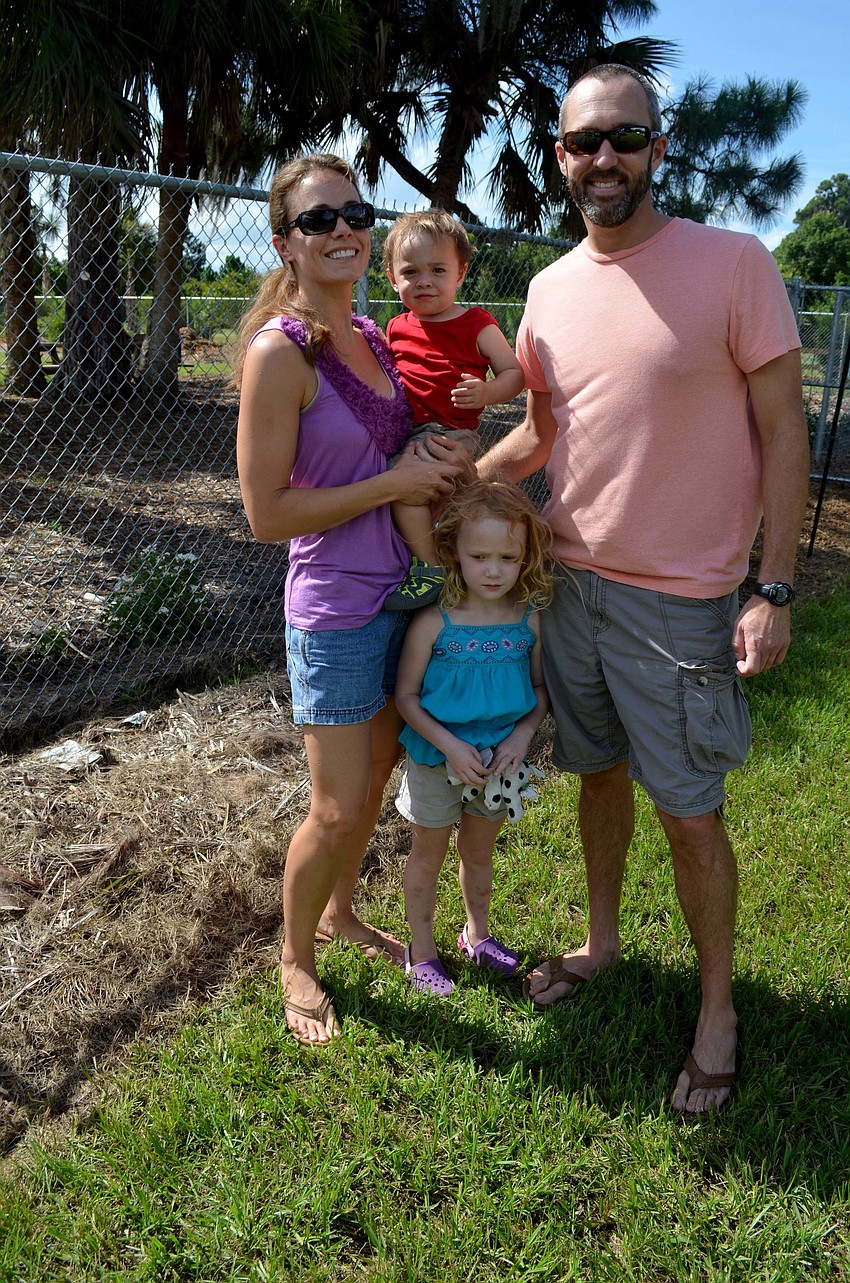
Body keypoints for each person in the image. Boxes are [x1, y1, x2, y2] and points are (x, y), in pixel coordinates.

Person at [477, 64, 810, 1111]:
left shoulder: (732, 263)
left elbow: (782, 430)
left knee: (689, 811)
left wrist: (776, 586)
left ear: (659, 149)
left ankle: (718, 1008)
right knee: (598, 775)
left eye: (624, 138)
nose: (602, 159)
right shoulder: (547, 289)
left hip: (681, 601)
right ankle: (604, 940)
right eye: (583, 142)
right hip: (569, 587)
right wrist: (463, 480)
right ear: (561, 156)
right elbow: (543, 431)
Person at [235, 154, 466, 1046]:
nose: (341, 230)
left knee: (373, 781)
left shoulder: (373, 336)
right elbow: (266, 514)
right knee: (333, 807)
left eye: (354, 213)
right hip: (335, 608)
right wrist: (393, 483)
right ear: (285, 240)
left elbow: (397, 464)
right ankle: (296, 958)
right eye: (317, 219)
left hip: (400, 595)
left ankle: (337, 915)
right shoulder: (277, 353)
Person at [393, 479, 552, 994]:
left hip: (498, 763)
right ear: (454, 552)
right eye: (479, 554)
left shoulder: (529, 622)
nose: (492, 569)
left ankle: (476, 935)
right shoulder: (433, 623)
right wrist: (450, 746)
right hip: (439, 758)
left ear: (525, 557)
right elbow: (407, 698)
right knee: (429, 854)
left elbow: (539, 689)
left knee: (479, 854)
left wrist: (523, 735)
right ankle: (421, 951)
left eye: (507, 557)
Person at [381, 210, 524, 610]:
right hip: (406, 431)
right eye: (410, 272)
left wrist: (486, 392)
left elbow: (515, 374)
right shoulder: (396, 327)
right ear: (393, 279)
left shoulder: (476, 323)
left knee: (404, 491)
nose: (424, 281)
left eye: (438, 270)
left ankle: (430, 569)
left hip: (446, 432)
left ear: (460, 273)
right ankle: (444, 563)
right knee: (428, 502)